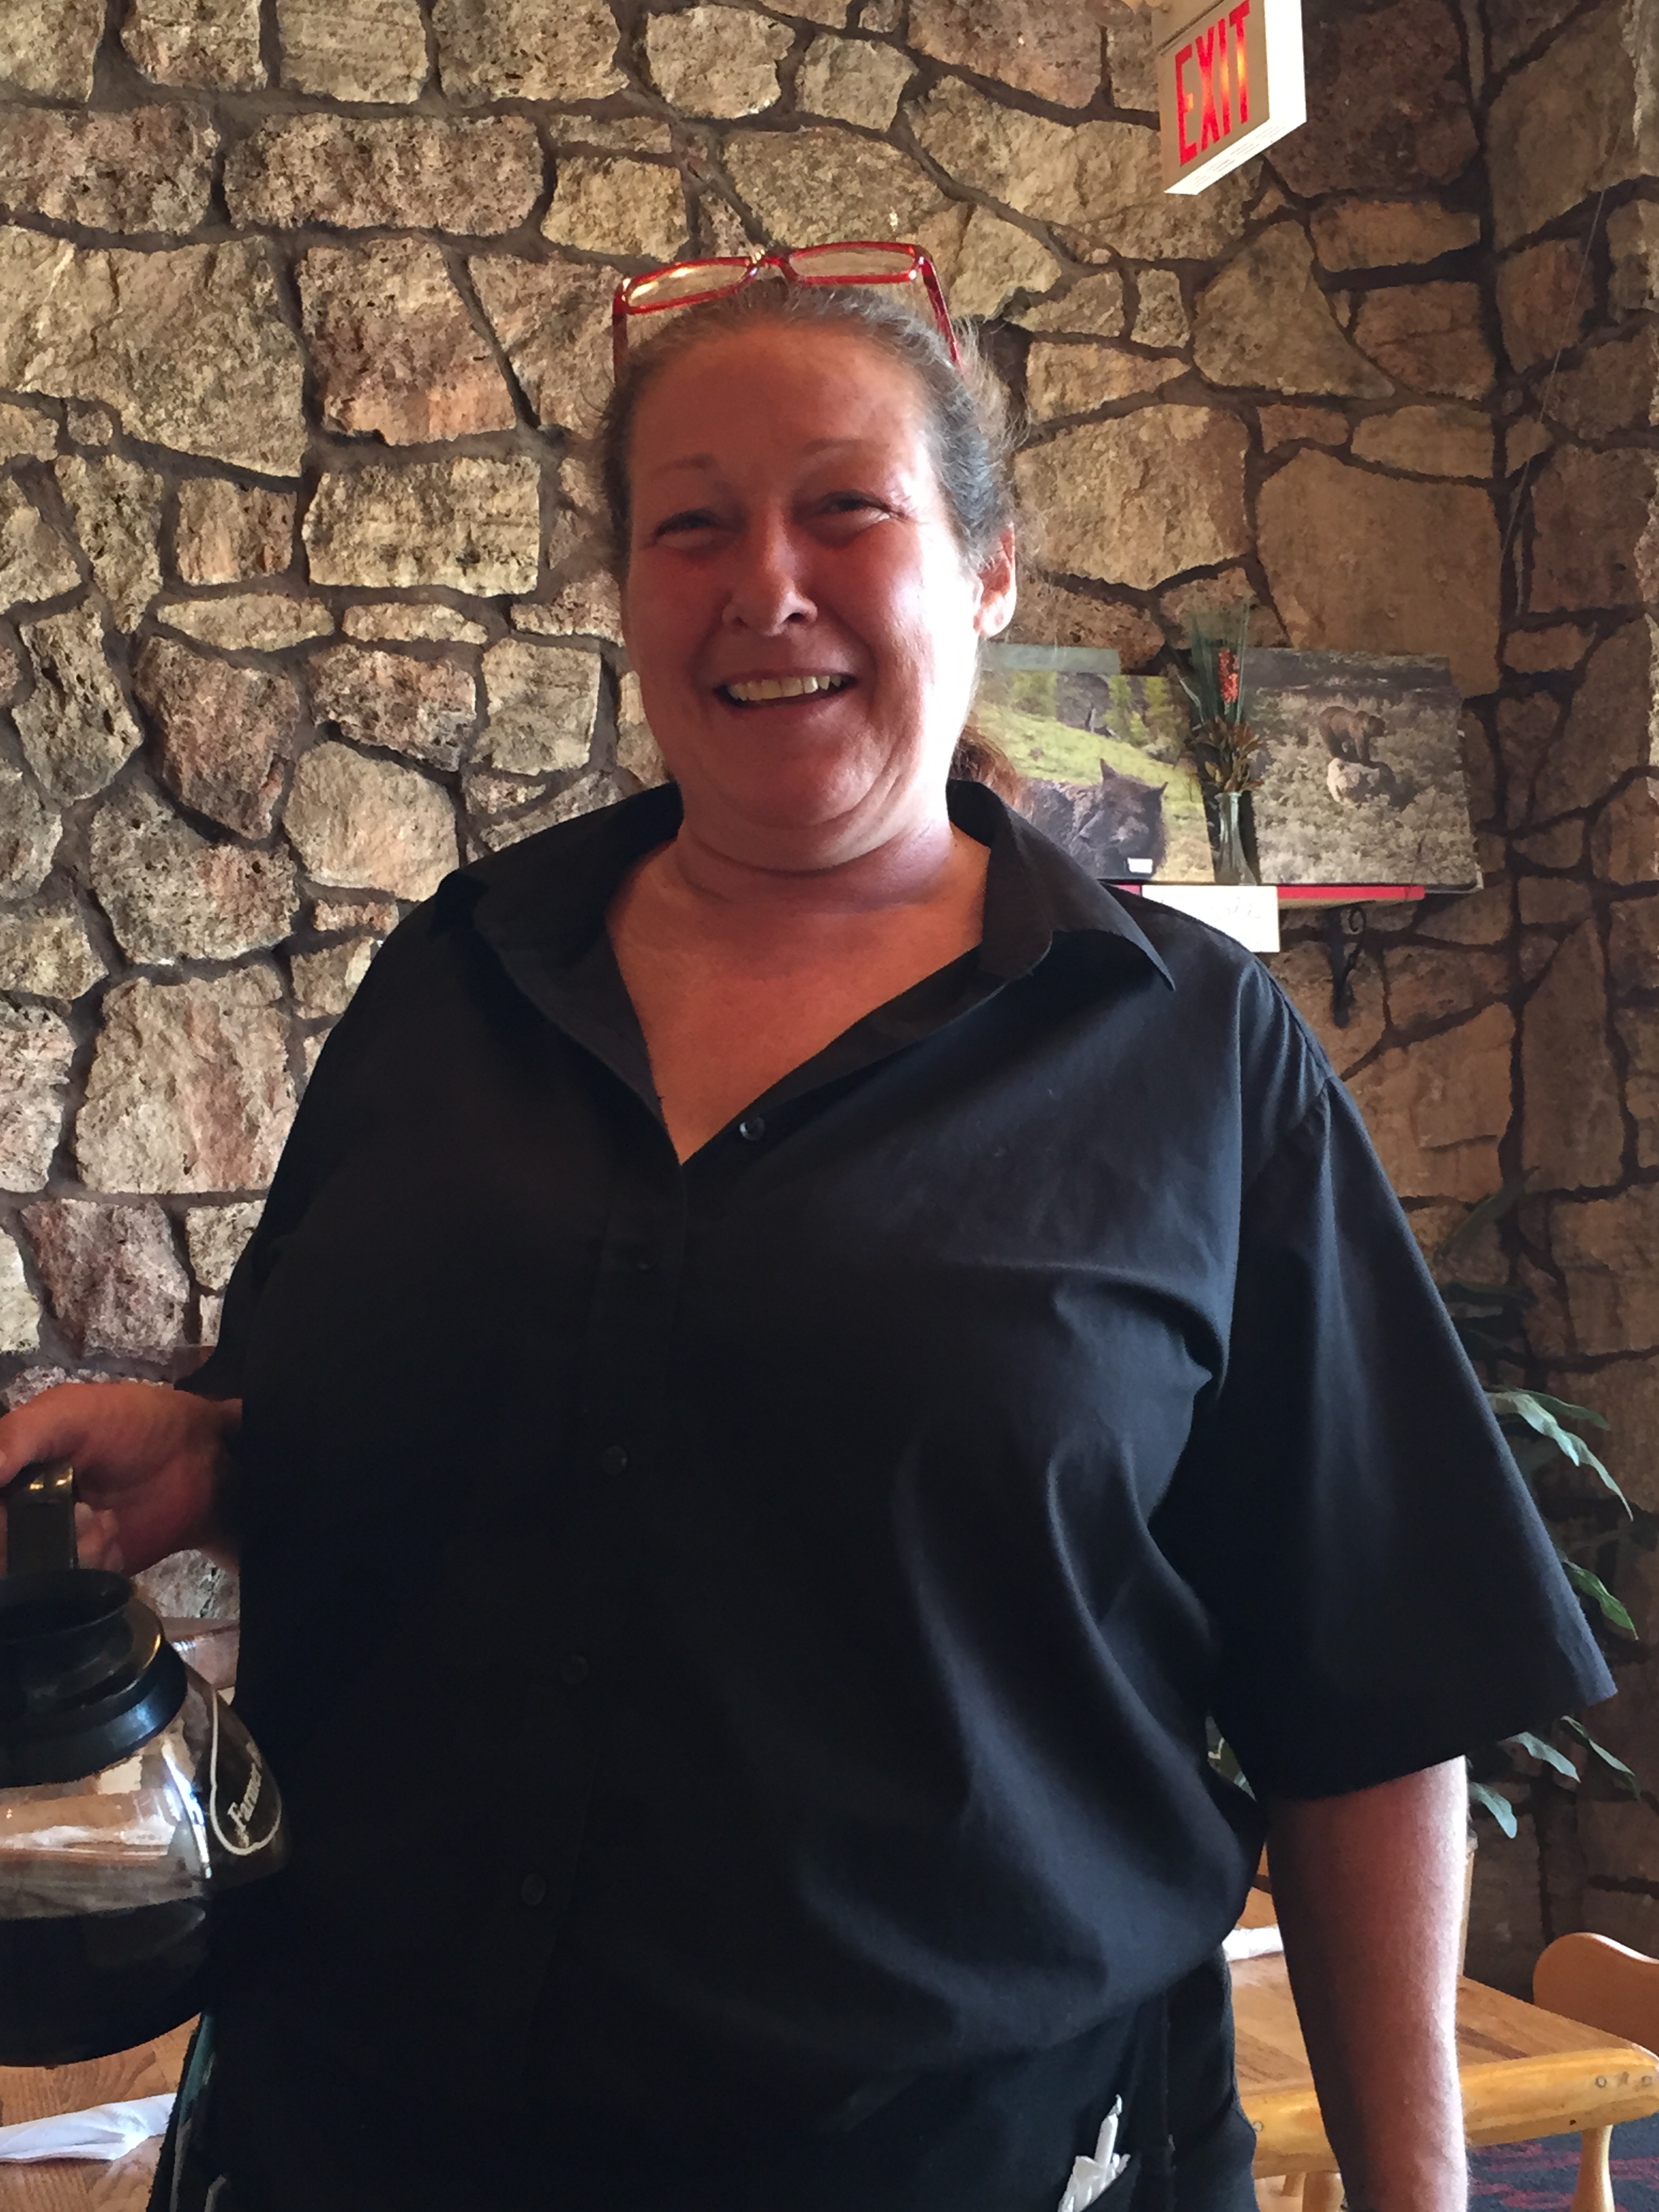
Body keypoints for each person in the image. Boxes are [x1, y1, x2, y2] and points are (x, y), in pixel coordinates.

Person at [0, 251, 1611, 2212]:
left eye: (845, 509)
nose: (765, 585)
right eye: (692, 527)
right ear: (627, 593)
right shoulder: (457, 978)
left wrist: (1415, 2195)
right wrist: (218, 1452)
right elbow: (396, 1446)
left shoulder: (1192, 1055)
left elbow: (1369, 1685)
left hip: (976, 2158)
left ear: (987, 571)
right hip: (360, 2133)